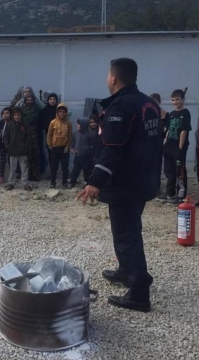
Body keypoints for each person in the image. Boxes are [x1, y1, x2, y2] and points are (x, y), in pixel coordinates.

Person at [77, 58, 162, 312]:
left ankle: (139, 293)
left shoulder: (121, 107)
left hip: (126, 184)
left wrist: (95, 182)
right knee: (126, 231)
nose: (107, 78)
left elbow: (113, 149)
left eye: (107, 74)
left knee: (128, 237)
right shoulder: (149, 103)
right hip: (144, 180)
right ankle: (125, 271)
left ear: (113, 78)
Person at [158, 89, 191, 204]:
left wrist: (180, 148)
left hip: (178, 147)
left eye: (177, 99)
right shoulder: (172, 114)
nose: (175, 102)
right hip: (168, 146)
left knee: (179, 172)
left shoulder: (185, 113)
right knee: (169, 170)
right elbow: (167, 130)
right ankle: (170, 193)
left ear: (183, 100)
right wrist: (165, 143)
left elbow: (183, 131)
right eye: (173, 100)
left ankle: (181, 195)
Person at [3, 107, 33, 192]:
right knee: (12, 169)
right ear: (13, 116)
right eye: (15, 115)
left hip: (23, 151)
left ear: (21, 115)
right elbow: (6, 137)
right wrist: (8, 146)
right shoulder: (9, 125)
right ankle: (11, 183)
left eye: (18, 115)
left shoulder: (25, 125)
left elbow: (29, 137)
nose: (17, 117)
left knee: (24, 168)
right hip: (12, 151)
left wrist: (26, 146)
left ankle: (25, 183)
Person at [47, 103, 72, 189]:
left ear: (66, 113)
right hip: (55, 148)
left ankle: (64, 182)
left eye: (64, 112)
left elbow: (70, 136)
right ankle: (53, 183)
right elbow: (49, 134)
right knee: (54, 167)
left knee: (65, 167)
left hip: (64, 149)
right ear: (57, 112)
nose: (62, 114)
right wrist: (50, 145)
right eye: (60, 112)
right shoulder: (53, 122)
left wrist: (67, 146)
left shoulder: (68, 123)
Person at [69, 118, 95, 188]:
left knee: (86, 170)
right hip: (77, 155)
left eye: (79, 124)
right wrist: (72, 148)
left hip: (86, 156)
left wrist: (90, 152)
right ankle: (72, 182)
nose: (77, 125)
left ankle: (87, 183)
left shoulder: (89, 134)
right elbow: (73, 141)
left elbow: (92, 144)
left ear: (83, 125)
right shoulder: (76, 133)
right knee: (75, 170)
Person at [20, 94, 41, 180]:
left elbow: (33, 119)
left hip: (34, 135)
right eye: (27, 100)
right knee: (26, 156)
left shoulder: (36, 109)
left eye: (31, 100)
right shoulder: (22, 109)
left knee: (35, 156)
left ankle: (35, 174)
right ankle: (27, 174)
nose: (29, 102)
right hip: (24, 135)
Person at [39, 93, 58, 174]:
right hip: (49, 135)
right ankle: (52, 172)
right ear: (48, 100)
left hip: (59, 135)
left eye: (54, 99)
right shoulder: (44, 110)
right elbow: (41, 122)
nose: (52, 101)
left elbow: (68, 116)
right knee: (51, 154)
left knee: (59, 154)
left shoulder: (59, 109)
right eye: (50, 99)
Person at [0, 107, 12, 184]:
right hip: (2, 145)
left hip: (10, 145)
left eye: (7, 113)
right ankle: (1, 176)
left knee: (11, 161)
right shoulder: (0, 123)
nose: (5, 115)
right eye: (3, 113)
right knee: (2, 161)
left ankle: (12, 176)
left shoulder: (12, 123)